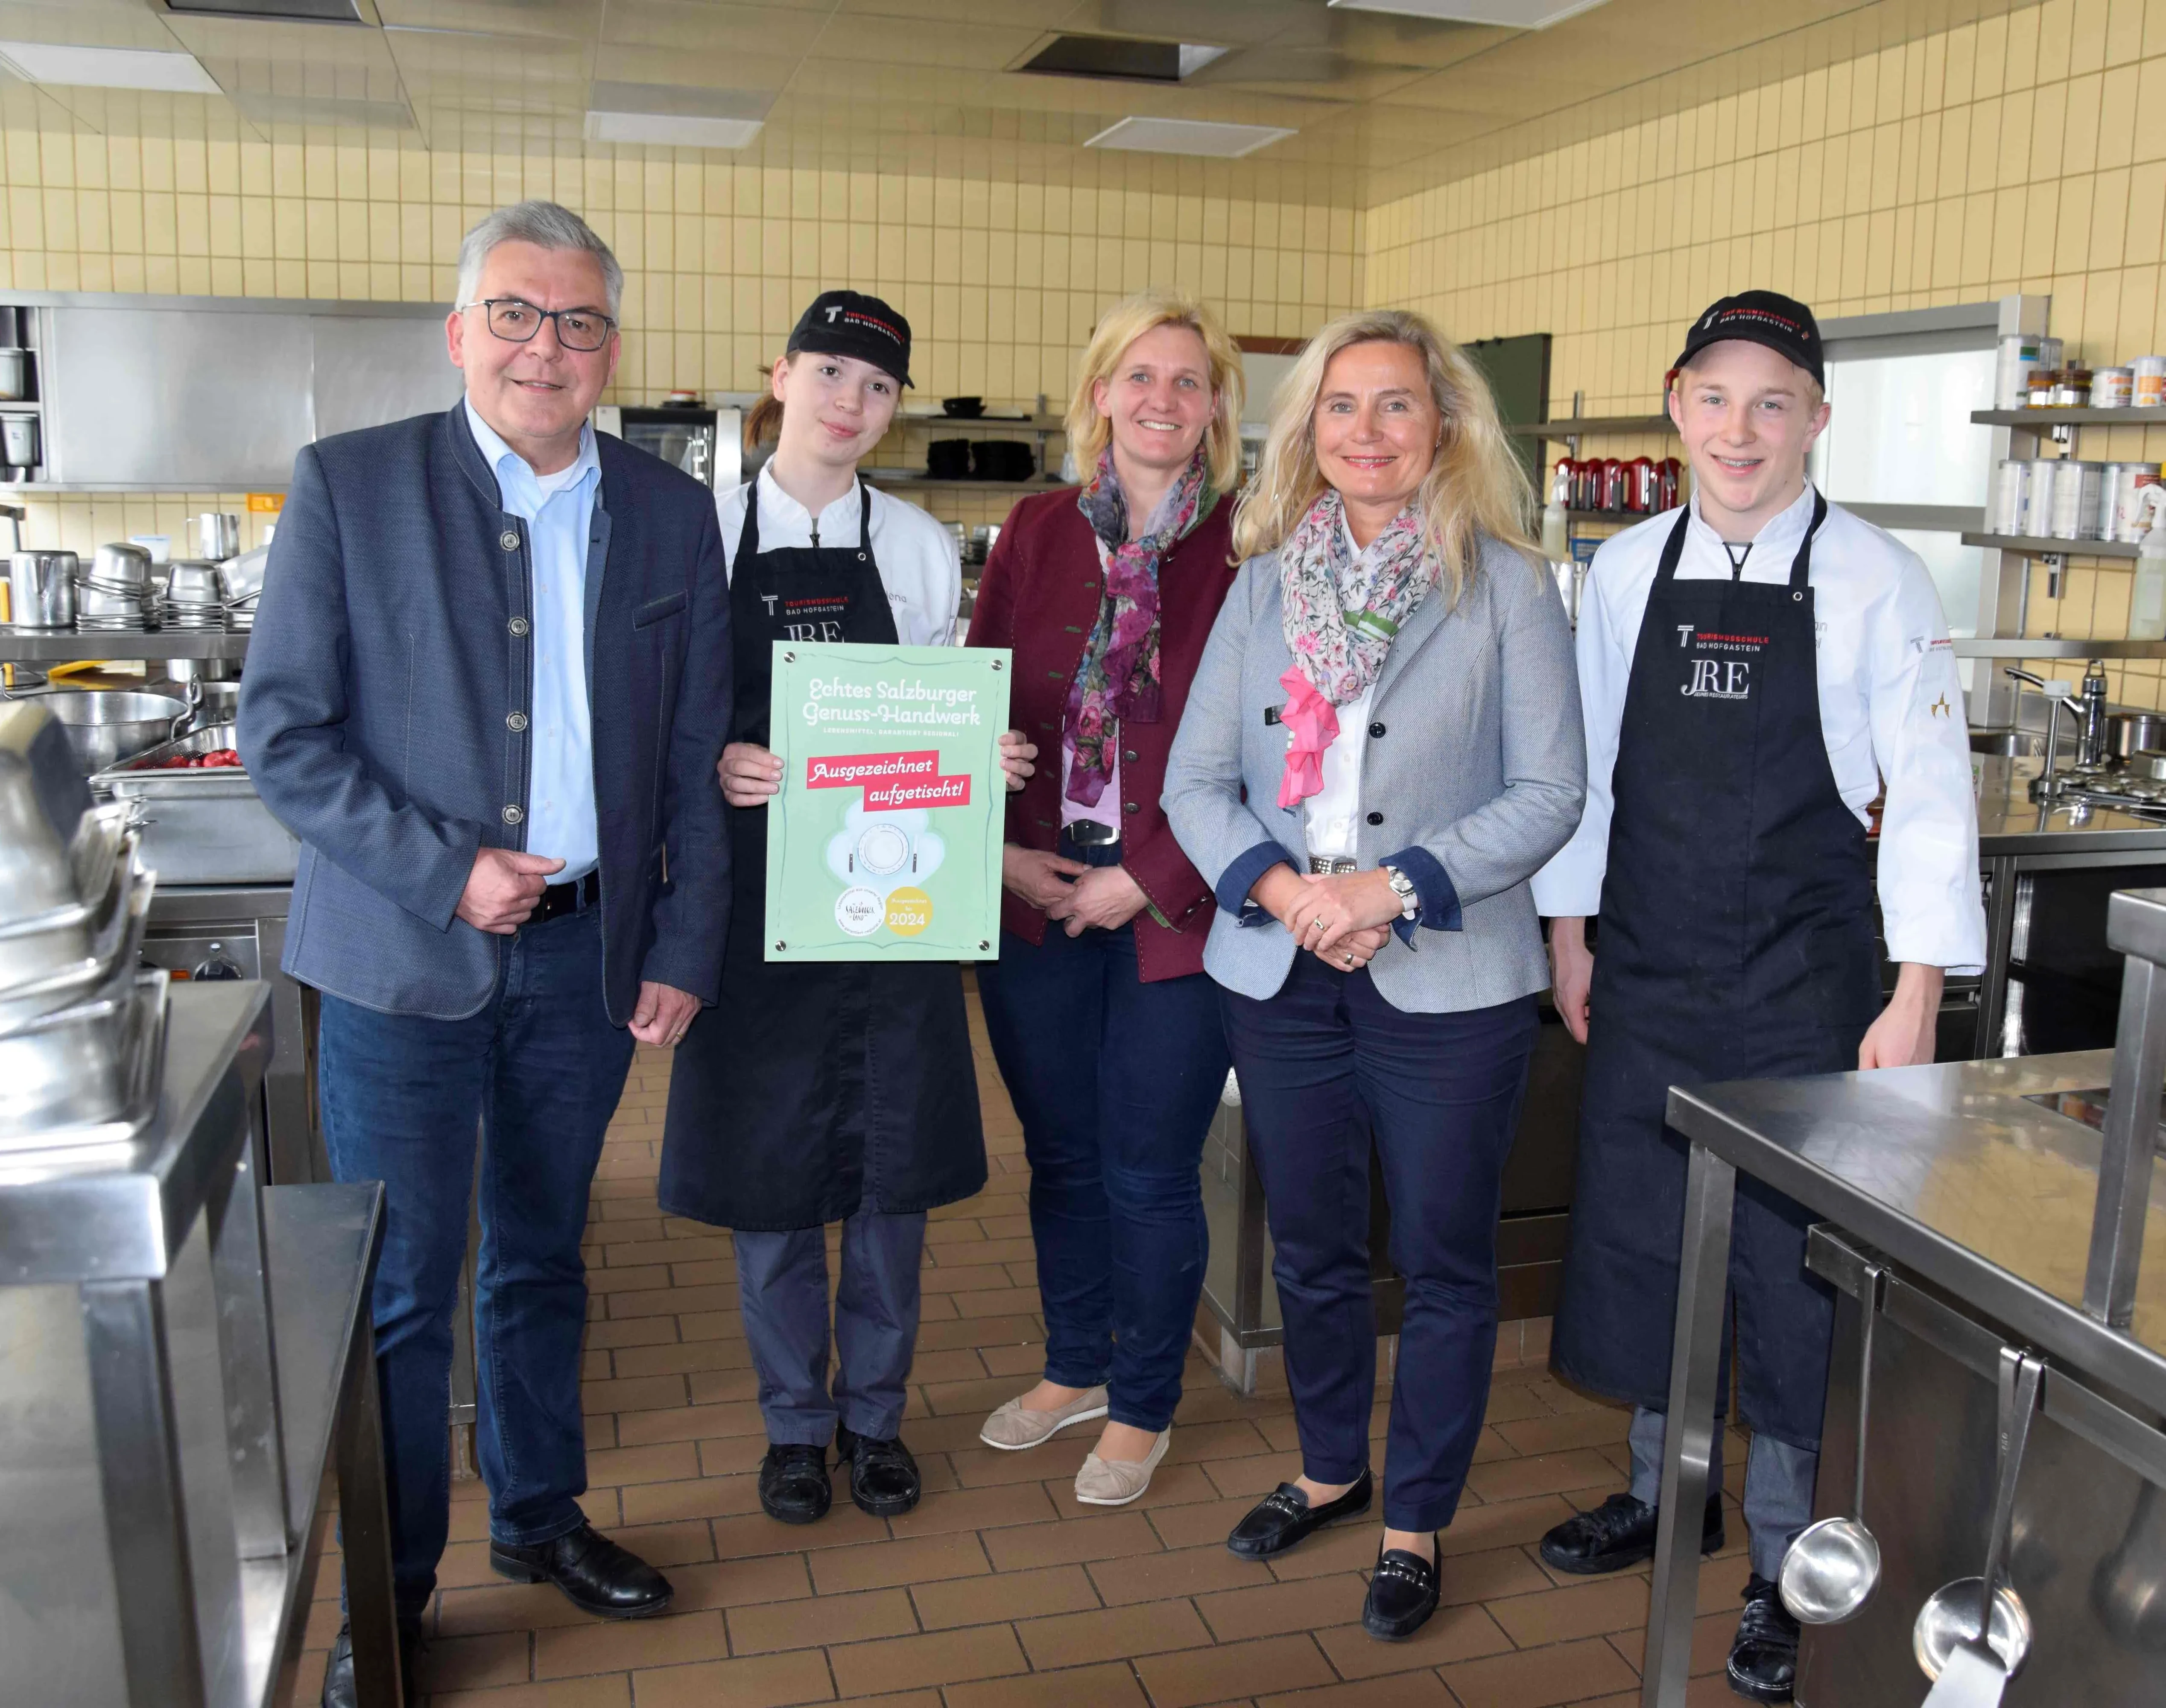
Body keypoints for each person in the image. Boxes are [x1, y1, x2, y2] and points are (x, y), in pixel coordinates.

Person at [238, 199, 731, 1706]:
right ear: (460, 333)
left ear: (612, 352)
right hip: (398, 965)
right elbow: (286, 736)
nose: (546, 344)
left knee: (540, 1258)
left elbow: (703, 749)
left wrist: (684, 941)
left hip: (588, 969)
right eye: (515, 314)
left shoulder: (666, 511)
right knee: (399, 1288)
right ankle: (382, 1608)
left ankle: (539, 1520)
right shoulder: (351, 486)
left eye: (577, 321)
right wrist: (444, 870)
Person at [1531, 292, 1987, 1704]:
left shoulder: (1876, 578)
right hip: (1653, 959)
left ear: (1817, 421)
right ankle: (1669, 1495)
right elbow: (1596, 765)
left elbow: (1924, 799)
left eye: (1773, 402)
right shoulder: (1623, 571)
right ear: (1676, 406)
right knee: (1647, 1235)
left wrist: (1915, 992)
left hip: (1807, 979)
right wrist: (1568, 930)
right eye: (1716, 398)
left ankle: (1790, 1562)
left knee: (1791, 1280)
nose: (1742, 429)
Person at [1164, 307, 1585, 1641]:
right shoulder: (1263, 585)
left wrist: (1387, 890)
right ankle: (1332, 1469)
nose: (1367, 431)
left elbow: (1550, 793)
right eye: (1341, 407)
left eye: (1396, 405)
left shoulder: (1508, 586)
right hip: (1283, 972)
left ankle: (1415, 1525)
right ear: (1310, 433)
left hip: (1446, 974)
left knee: (1449, 1262)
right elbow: (1195, 782)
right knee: (1316, 1249)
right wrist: (1292, 892)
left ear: (1444, 426)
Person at [656, 291, 1030, 1527]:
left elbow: (927, 721)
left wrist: (986, 759)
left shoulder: (919, 547)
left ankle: (875, 1417)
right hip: (752, 910)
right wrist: (714, 759)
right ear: (782, 374)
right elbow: (656, 723)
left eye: (877, 386)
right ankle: (791, 1426)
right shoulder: (698, 533)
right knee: (771, 1182)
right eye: (829, 373)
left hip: (892, 907)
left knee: (891, 1181)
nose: (849, 403)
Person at [966, 290, 1244, 1506]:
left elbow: (1278, 745)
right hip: (1035, 895)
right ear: (1100, 394)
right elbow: (977, 700)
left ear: (1217, 409)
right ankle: (1075, 1362)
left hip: (1176, 913)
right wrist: (998, 842)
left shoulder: (1254, 546)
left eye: (1188, 381)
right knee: (1063, 1156)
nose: (1162, 401)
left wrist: (1155, 878)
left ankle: (1143, 1402)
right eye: (1140, 376)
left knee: (1148, 1164)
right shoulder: (1032, 532)